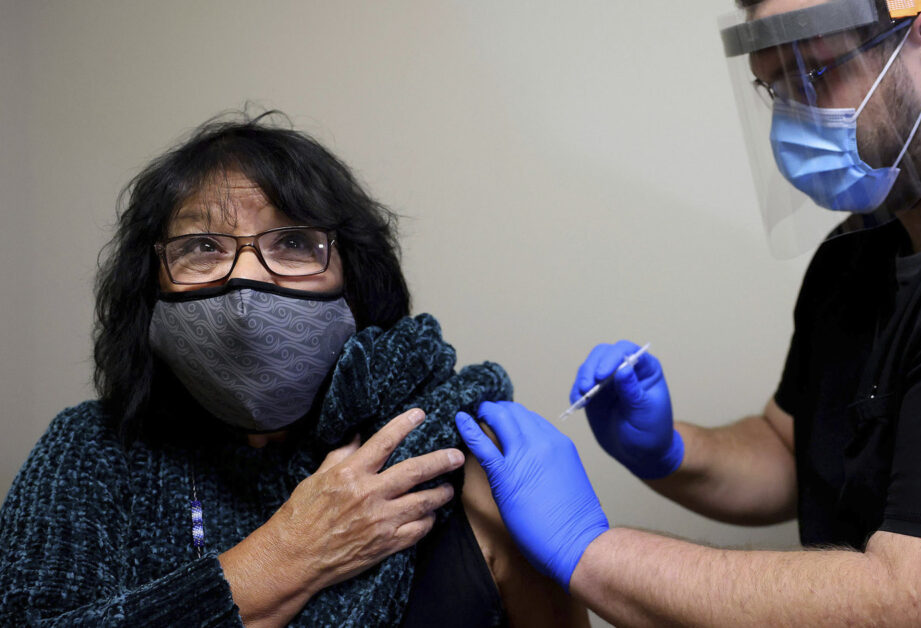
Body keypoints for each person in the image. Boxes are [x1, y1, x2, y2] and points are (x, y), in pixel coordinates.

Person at [455, 0, 921, 624]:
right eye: (775, 88)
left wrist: (589, 549)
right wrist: (666, 450)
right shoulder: (861, 248)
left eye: (813, 73)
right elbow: (792, 451)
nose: (791, 118)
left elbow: (919, 608)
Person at [0, 112, 587, 627]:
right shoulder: (91, 448)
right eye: (203, 245)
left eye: (294, 242)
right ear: (149, 284)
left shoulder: (452, 455)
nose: (248, 281)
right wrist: (290, 552)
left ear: (353, 277)